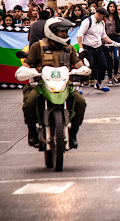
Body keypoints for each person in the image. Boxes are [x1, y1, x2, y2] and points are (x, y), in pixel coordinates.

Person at [19, 17, 91, 148]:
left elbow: (78, 63)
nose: (65, 34)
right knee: (29, 101)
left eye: (66, 31)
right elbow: (27, 64)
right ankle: (32, 131)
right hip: (40, 85)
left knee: (80, 102)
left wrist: (84, 69)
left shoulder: (68, 47)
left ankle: (73, 133)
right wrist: (24, 71)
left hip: (65, 86)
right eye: (61, 31)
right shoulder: (38, 46)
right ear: (51, 31)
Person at [77, 7, 120, 92]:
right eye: (103, 16)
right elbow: (80, 35)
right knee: (87, 67)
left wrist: (114, 42)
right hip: (88, 48)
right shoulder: (87, 22)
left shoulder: (102, 23)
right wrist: (81, 48)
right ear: (98, 14)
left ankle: (99, 83)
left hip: (99, 48)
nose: (104, 18)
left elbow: (103, 36)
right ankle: (78, 86)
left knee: (103, 66)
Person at [103, 2, 120, 86]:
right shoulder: (104, 18)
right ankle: (110, 77)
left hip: (117, 38)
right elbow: (103, 30)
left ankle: (116, 75)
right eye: (110, 6)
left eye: (113, 7)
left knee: (116, 57)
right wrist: (105, 41)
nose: (112, 8)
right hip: (108, 38)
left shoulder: (117, 17)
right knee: (109, 59)